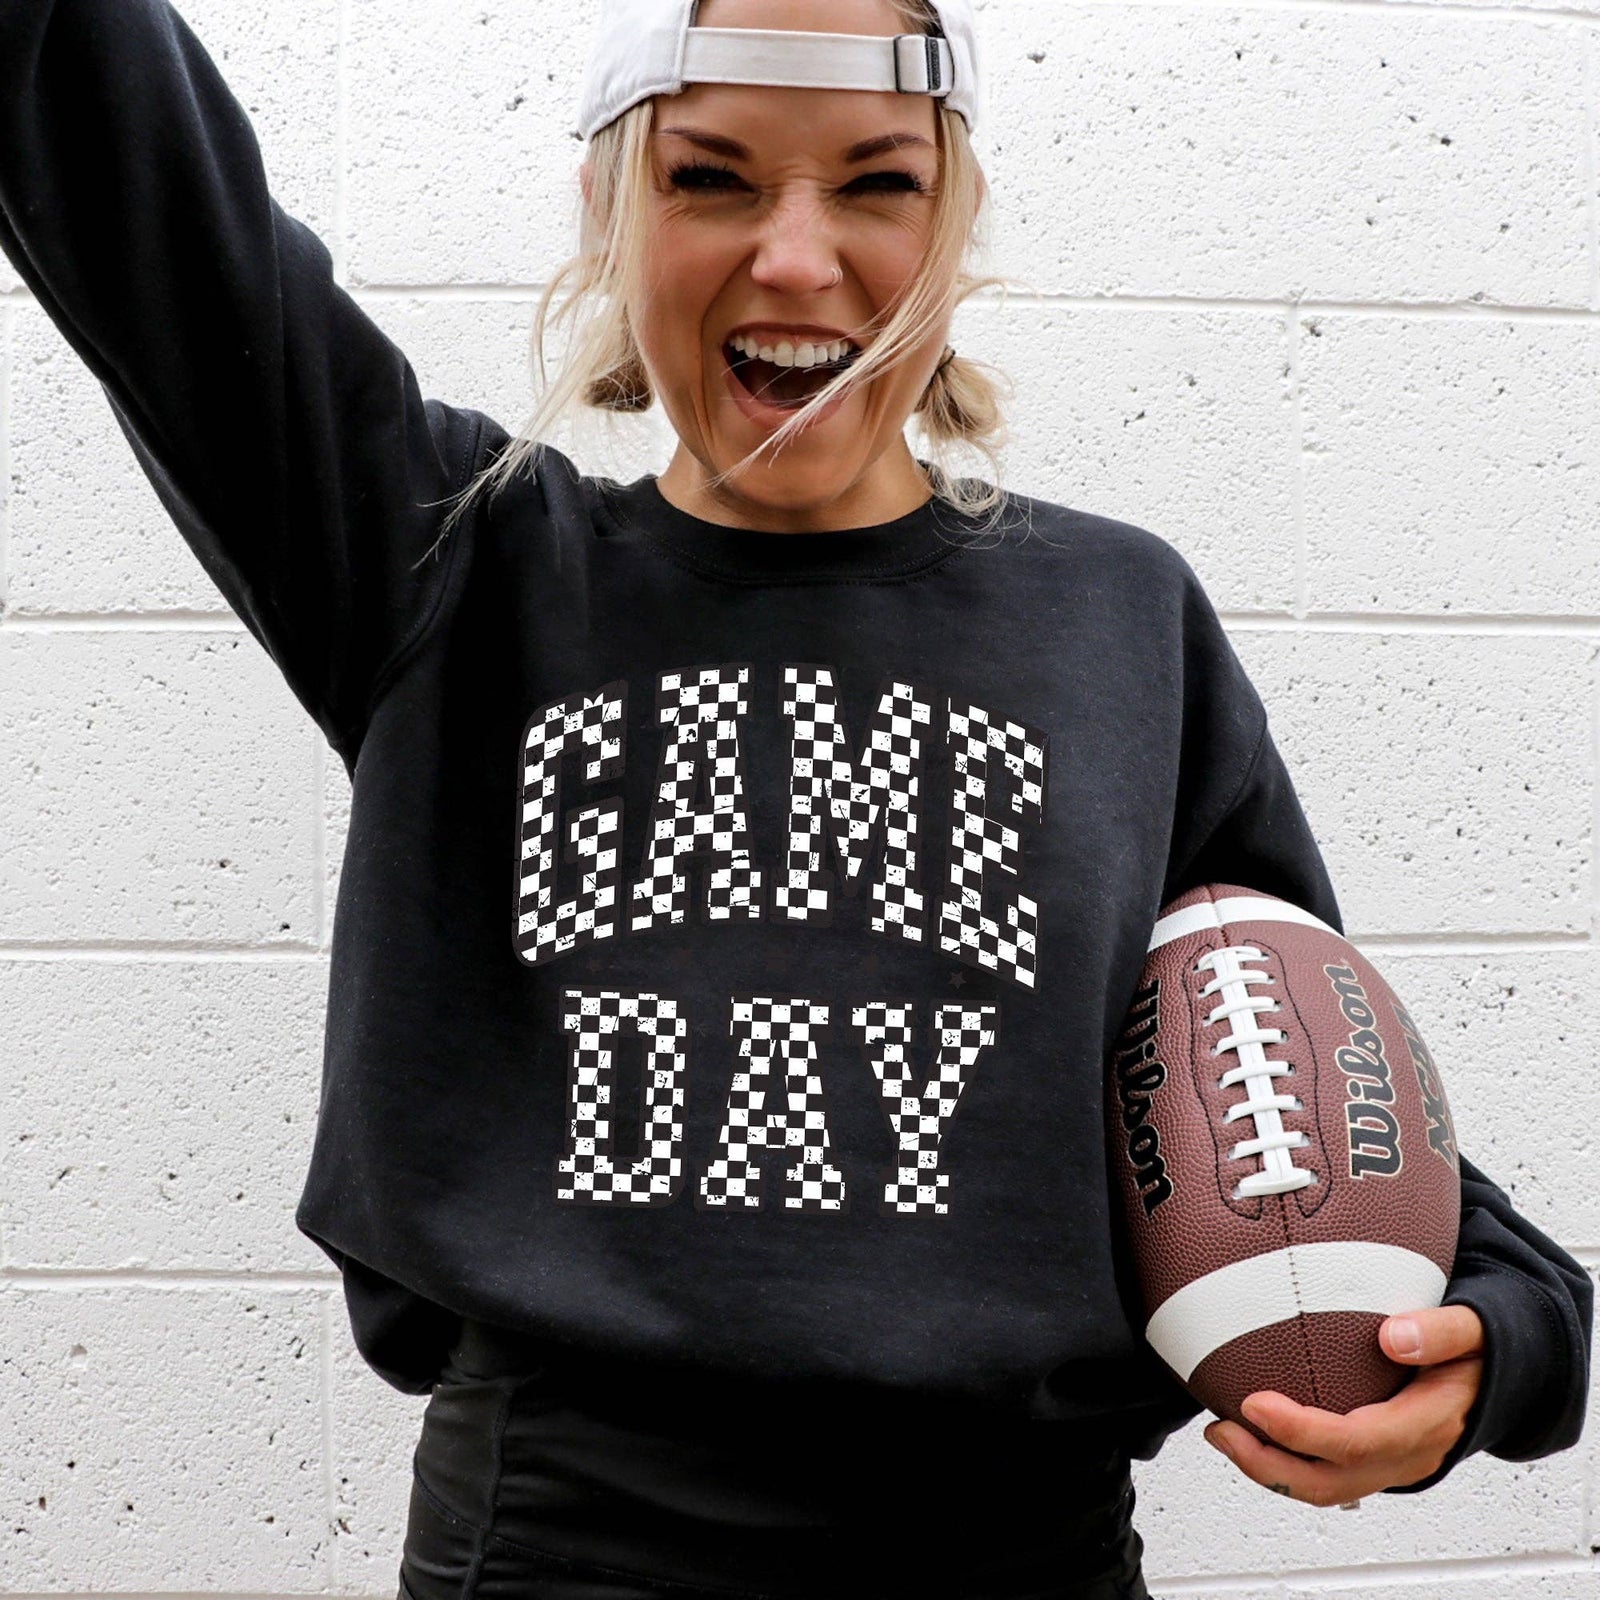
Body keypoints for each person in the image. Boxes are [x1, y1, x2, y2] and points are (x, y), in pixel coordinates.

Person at [0, 0, 1590, 1597]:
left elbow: (1280, 1064)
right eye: (712, 178)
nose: (796, 257)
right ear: (615, 217)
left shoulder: (1121, 617)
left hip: (1023, 1555)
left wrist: (1507, 1330)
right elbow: (123, 157)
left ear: (954, 229)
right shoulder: (465, 569)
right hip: (565, 1551)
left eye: (877, 185)